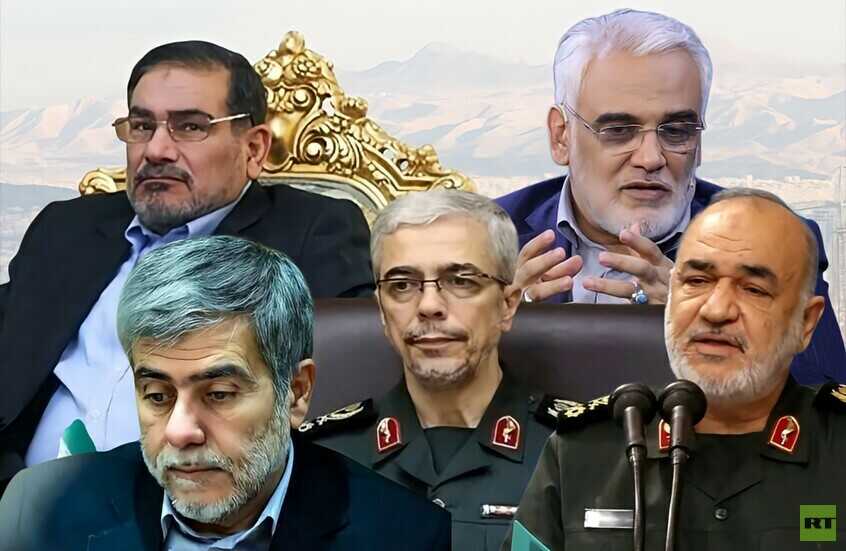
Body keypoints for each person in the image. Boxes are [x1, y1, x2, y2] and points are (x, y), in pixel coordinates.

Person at [0, 40, 373, 488]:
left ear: (254, 149)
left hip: (200, 506)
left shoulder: (311, 234)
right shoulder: (67, 229)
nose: (156, 150)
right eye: (142, 126)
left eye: (190, 127)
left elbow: (343, 400)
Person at [0, 235, 450, 551]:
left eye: (218, 394)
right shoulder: (40, 510)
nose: (179, 432)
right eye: (157, 395)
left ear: (296, 393)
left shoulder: (407, 536)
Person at [495, 8, 845, 384]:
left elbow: (828, 401)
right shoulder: (488, 241)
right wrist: (491, 332)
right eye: (619, 130)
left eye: (677, 131)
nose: (651, 158)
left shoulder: (775, 244)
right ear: (561, 136)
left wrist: (704, 324)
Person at [504, 188, 846, 550]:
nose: (716, 310)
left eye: (754, 289)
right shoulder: (581, 452)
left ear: (806, 323)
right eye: (696, 281)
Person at [304, 190, 570, 551]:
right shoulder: (318, 459)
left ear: (507, 305)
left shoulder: (579, 452)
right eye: (402, 285)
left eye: (461, 281)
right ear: (382, 311)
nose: (429, 305)